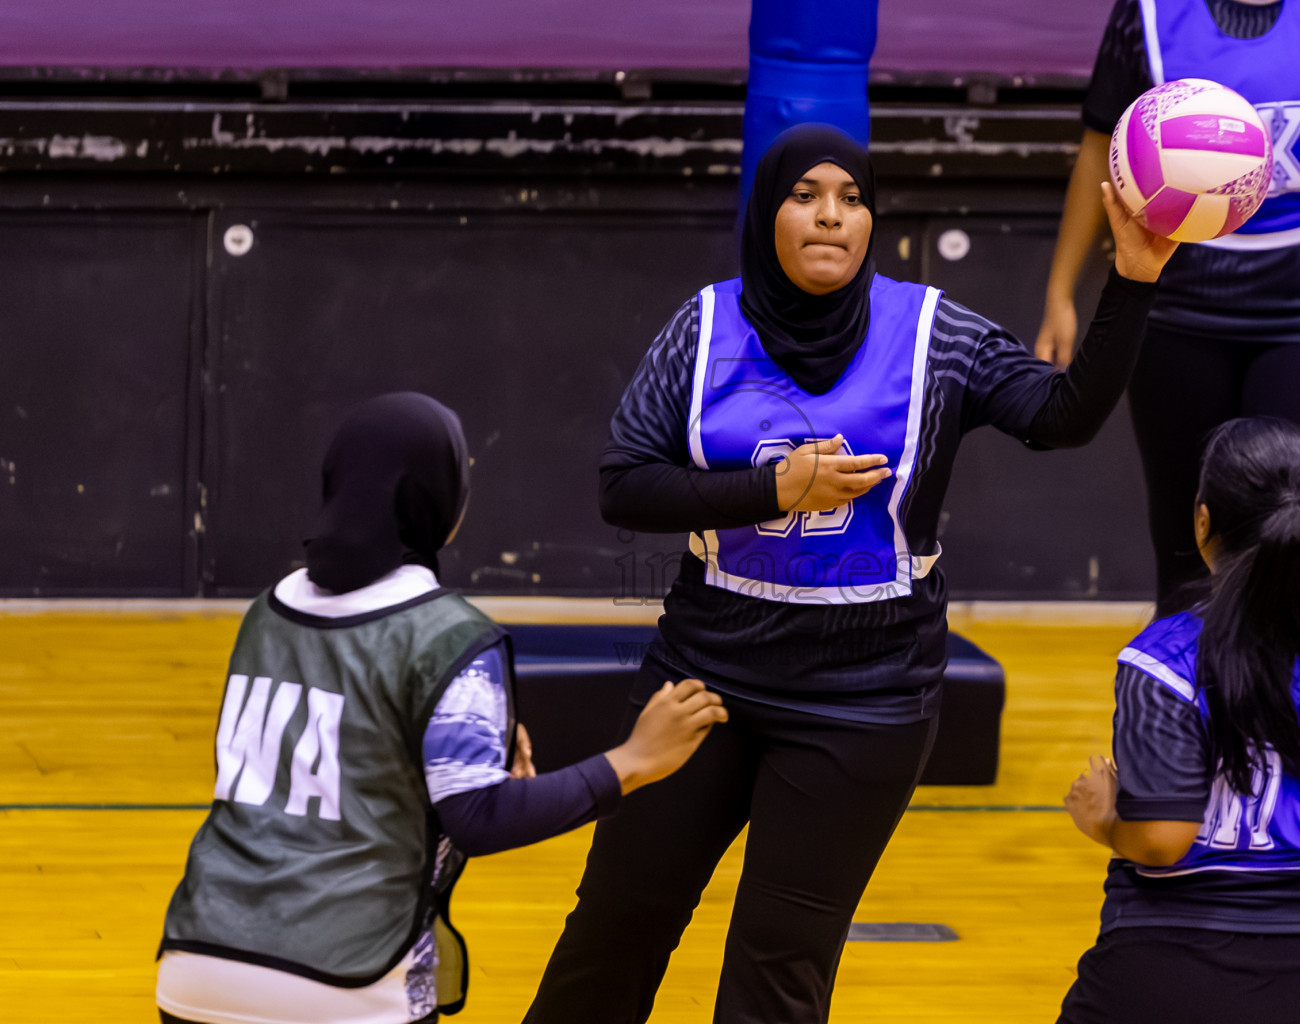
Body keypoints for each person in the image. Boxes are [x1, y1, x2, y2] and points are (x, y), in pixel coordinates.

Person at [520, 123, 1176, 1024]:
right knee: (614, 929)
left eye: (852, 198)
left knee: (776, 969)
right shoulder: (705, 324)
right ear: (768, 214)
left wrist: (1134, 277)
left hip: (864, 697)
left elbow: (1060, 416)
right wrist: (772, 487)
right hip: (706, 675)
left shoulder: (937, 333)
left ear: (872, 221)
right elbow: (623, 486)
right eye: (805, 196)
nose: (830, 216)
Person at [155, 392, 727, 1024]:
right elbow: (478, 817)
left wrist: (450, 751)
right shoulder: (448, 634)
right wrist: (632, 762)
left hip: (195, 961)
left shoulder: (266, 611)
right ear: (438, 500)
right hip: (345, 976)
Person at [1038, 0, 1300, 615]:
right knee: (1185, 552)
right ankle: (1177, 706)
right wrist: (1061, 291)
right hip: (1179, 305)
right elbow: (1100, 147)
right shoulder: (1146, 12)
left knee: (1292, 544)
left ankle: (1280, 707)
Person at [1060, 416, 1300, 1023]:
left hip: (1171, 963)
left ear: (1202, 522)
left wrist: (1106, 818)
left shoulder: (1161, 657)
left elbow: (1160, 840)